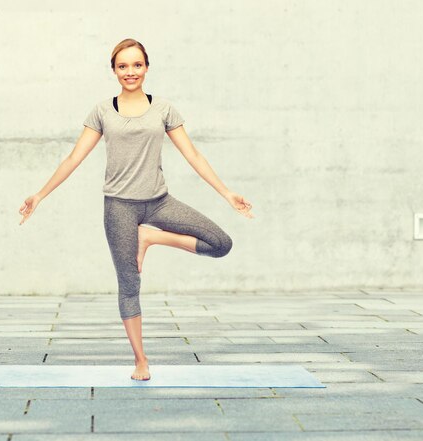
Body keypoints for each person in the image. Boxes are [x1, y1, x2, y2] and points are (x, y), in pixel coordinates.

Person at [19, 38, 254, 381]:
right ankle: (141, 360)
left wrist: (227, 193)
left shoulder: (164, 109)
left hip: (159, 202)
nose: (130, 72)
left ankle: (151, 238)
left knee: (221, 243)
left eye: (137, 65)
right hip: (119, 208)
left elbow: (193, 155)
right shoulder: (102, 111)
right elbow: (73, 158)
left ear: (147, 67)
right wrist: (39, 195)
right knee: (129, 285)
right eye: (123, 66)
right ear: (114, 71)